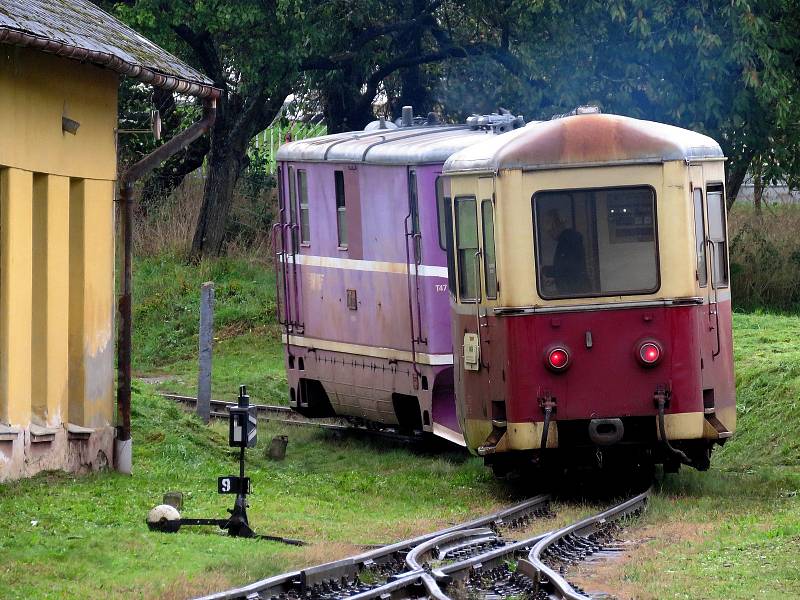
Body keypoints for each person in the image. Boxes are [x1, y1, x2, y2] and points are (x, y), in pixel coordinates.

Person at [543, 210, 591, 294]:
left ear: (555, 226)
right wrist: (556, 279)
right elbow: (567, 270)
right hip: (576, 288)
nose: (550, 235)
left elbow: (566, 268)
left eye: (549, 231)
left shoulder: (567, 241)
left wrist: (544, 270)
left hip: (576, 291)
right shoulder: (567, 239)